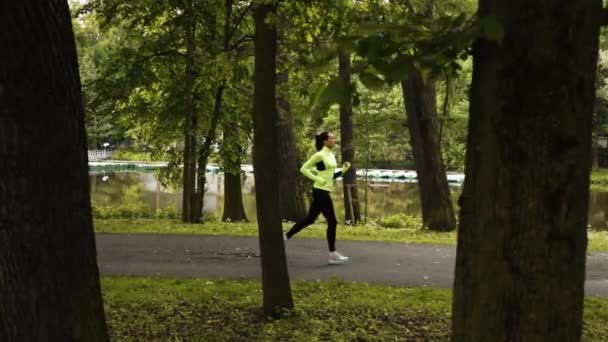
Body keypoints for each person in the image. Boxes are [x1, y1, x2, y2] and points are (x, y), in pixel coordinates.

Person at [284, 131, 351, 264]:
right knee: (332, 222)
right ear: (325, 141)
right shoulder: (319, 155)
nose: (334, 140)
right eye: (331, 138)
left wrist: (343, 170)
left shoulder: (331, 155)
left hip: (323, 190)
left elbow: (330, 176)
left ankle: (285, 236)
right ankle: (332, 254)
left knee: (309, 219)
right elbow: (303, 169)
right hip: (320, 191)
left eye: (333, 138)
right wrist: (318, 179)